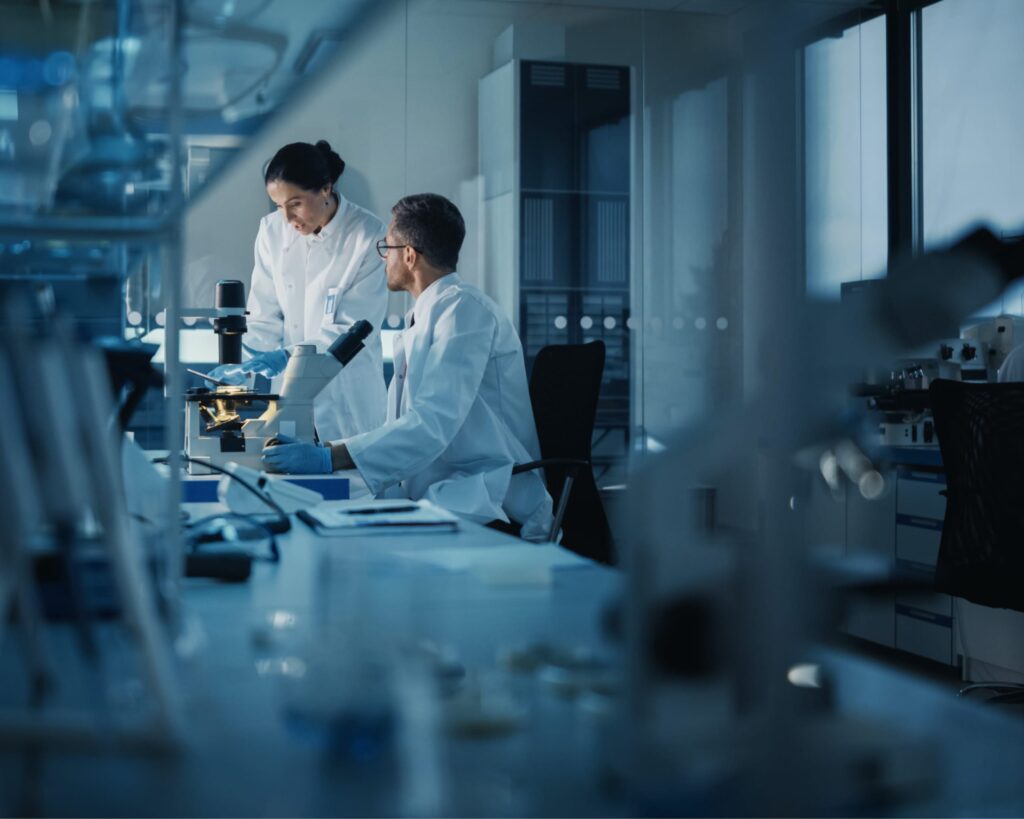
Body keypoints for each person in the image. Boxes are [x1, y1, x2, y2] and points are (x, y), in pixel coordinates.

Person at [263, 193, 554, 541]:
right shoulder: (429, 315)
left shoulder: (465, 312)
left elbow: (430, 425)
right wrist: (326, 451)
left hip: (485, 495)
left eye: (387, 249)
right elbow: (408, 428)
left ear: (410, 256)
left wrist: (329, 457)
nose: (384, 259)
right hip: (442, 488)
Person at [207, 140, 387, 441]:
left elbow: (352, 331)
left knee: (348, 483)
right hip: (290, 399)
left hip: (347, 401)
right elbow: (265, 315)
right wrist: (244, 367)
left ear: (325, 189)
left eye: (296, 204)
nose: (288, 219)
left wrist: (284, 357)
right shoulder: (271, 231)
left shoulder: (368, 235)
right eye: (279, 206)